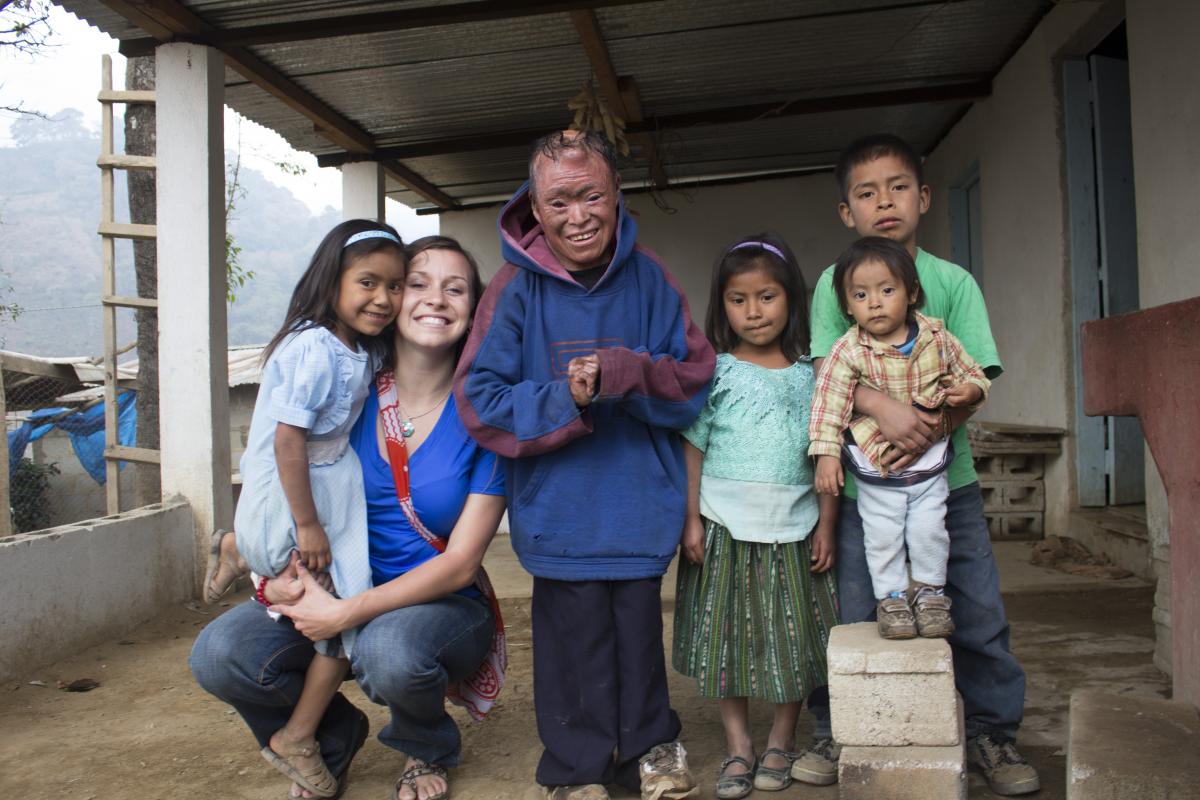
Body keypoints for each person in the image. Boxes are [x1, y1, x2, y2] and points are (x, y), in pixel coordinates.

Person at [191, 235, 507, 800]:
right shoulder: (350, 390)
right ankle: (330, 741)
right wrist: (285, 574)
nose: (435, 299)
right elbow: (293, 481)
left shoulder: (486, 414)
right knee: (220, 655)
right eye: (417, 284)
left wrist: (344, 614)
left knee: (390, 651)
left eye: (455, 288)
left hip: (438, 605)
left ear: (474, 309)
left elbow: (461, 564)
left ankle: (424, 745)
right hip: (335, 582)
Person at [454, 130, 716, 800]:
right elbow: (479, 401)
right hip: (559, 510)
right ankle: (576, 769)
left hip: (637, 504)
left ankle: (650, 752)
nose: (578, 216)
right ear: (535, 210)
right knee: (575, 647)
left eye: (591, 195)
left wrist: (623, 373)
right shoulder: (514, 289)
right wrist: (564, 396)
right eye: (559, 201)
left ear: (616, 194)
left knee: (637, 639)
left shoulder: (650, 277)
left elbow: (693, 380)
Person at [799, 133, 1038, 797]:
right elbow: (828, 370)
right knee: (854, 609)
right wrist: (888, 413)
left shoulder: (952, 284)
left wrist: (924, 430)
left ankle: (992, 731)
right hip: (864, 485)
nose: (885, 202)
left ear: (924, 197)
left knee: (976, 611)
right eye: (866, 192)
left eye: (898, 187)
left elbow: (977, 372)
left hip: (947, 482)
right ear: (846, 210)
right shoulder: (831, 283)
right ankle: (839, 726)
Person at [201, 219, 406, 796]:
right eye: (368, 282)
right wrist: (310, 524)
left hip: (327, 478)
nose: (383, 299)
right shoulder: (315, 346)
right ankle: (300, 734)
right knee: (336, 619)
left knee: (333, 603)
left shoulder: (355, 348)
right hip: (305, 486)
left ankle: (238, 548)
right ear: (332, 279)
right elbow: (288, 441)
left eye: (395, 286)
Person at [672, 234, 839, 799]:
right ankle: (739, 744)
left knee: (791, 640)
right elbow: (693, 446)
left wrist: (828, 522)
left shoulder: (814, 375)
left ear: (791, 297)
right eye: (738, 300)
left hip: (793, 528)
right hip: (722, 527)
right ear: (722, 306)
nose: (753, 311)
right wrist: (690, 518)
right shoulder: (714, 373)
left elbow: (827, 453)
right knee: (728, 640)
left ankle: (782, 738)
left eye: (766, 296)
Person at [809, 236, 990, 640]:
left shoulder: (937, 339)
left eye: (886, 290)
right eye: (860, 294)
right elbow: (828, 403)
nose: (874, 302)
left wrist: (972, 390)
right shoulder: (847, 351)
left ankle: (929, 594)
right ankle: (891, 600)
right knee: (883, 534)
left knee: (930, 530)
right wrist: (826, 456)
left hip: (930, 465)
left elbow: (974, 373)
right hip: (878, 466)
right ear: (847, 306)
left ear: (912, 294)